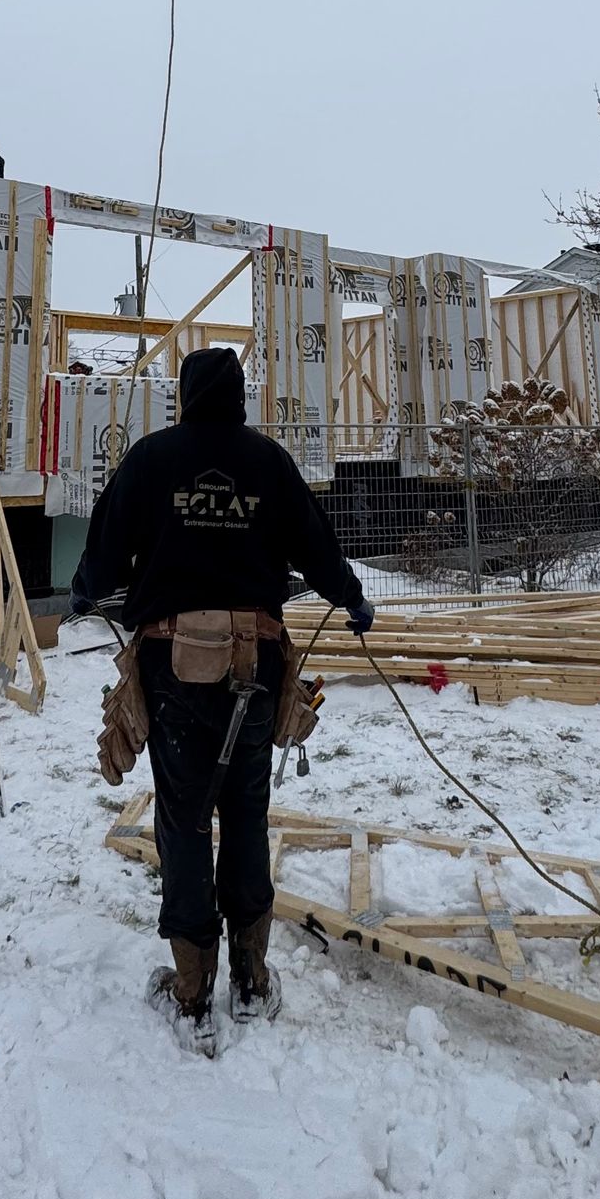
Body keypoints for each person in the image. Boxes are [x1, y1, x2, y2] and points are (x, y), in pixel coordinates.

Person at [69, 344, 373, 1044]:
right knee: (244, 811)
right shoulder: (267, 463)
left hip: (175, 670)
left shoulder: (151, 459)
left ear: (185, 394)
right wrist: (352, 598)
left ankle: (191, 983)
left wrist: (87, 591)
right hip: (255, 667)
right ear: (239, 397)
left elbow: (107, 548)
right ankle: (252, 977)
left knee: (180, 819)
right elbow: (318, 546)